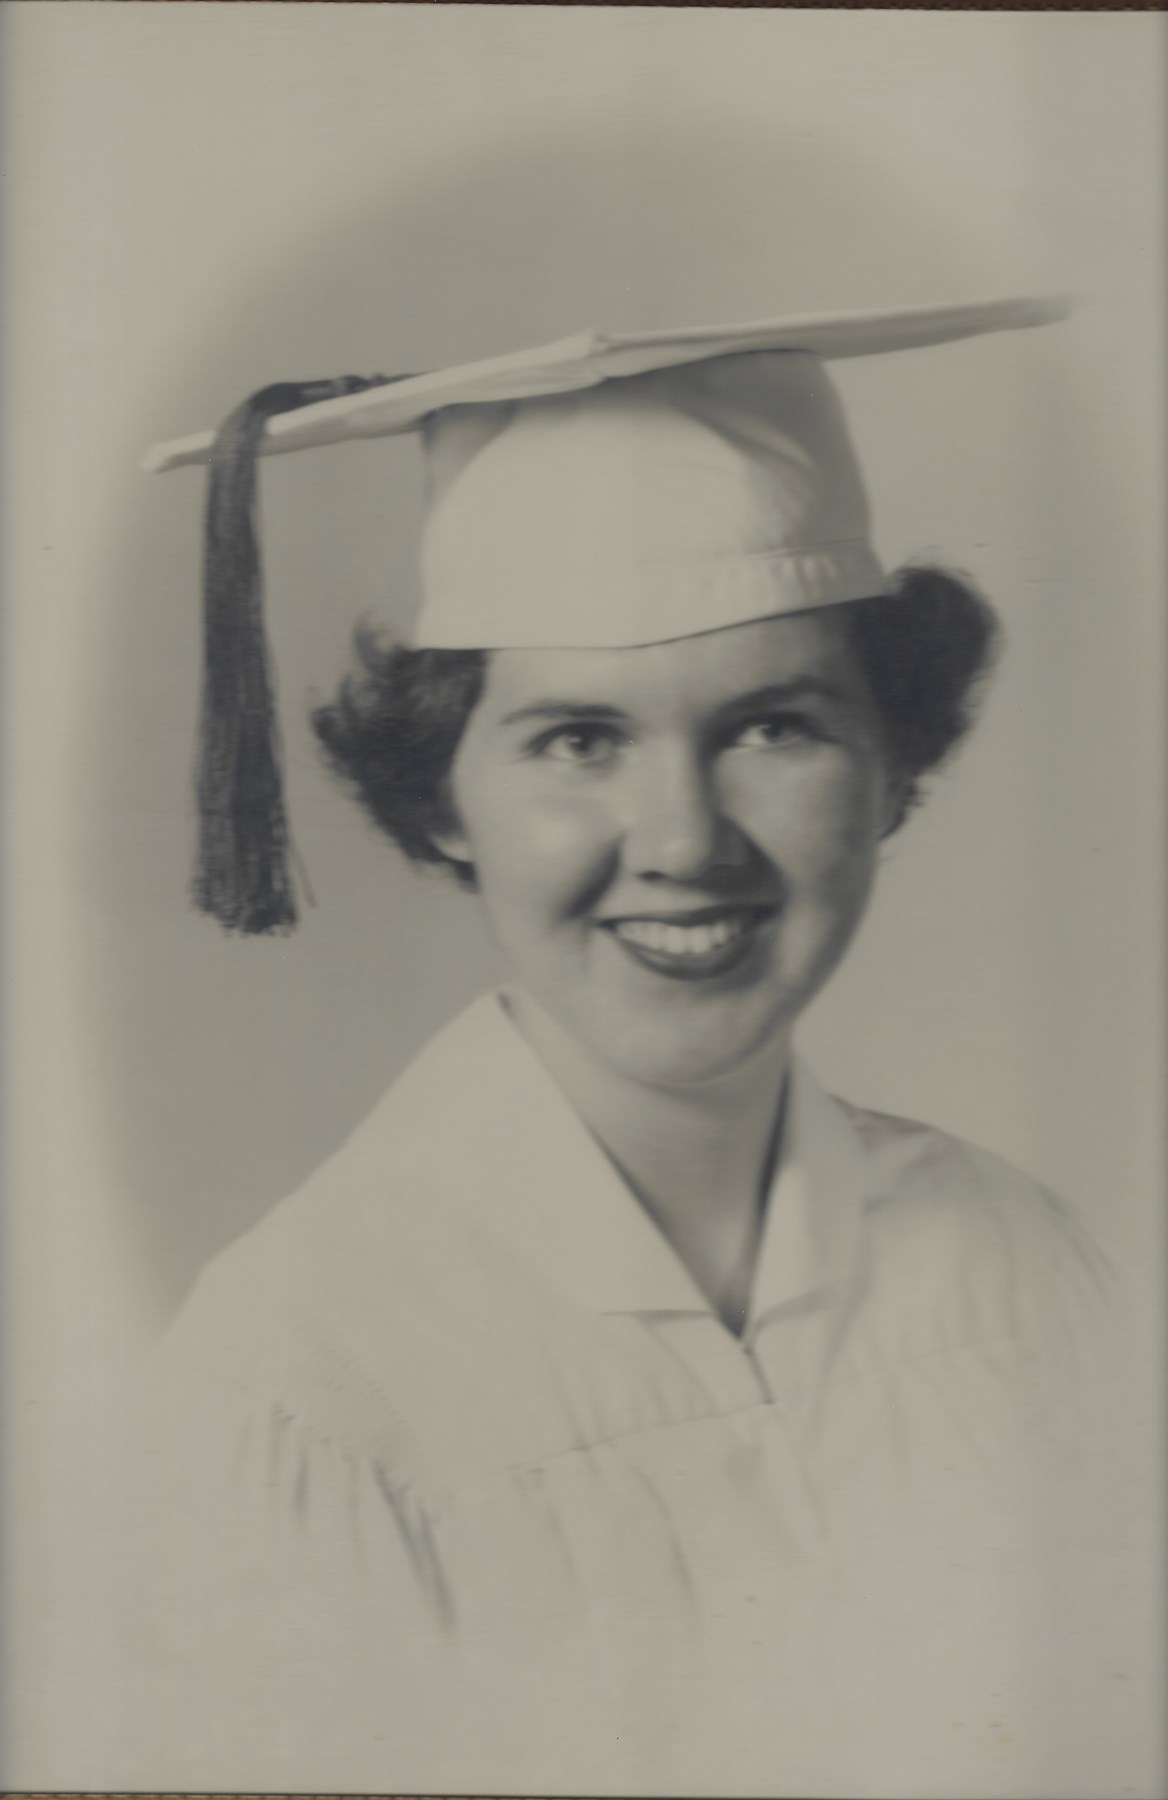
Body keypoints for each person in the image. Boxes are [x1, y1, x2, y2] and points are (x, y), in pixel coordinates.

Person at [119, 301, 1111, 1795]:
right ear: (442, 797)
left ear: (890, 764)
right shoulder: (303, 1394)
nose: (684, 841)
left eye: (773, 726)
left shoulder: (1022, 1265)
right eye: (578, 739)